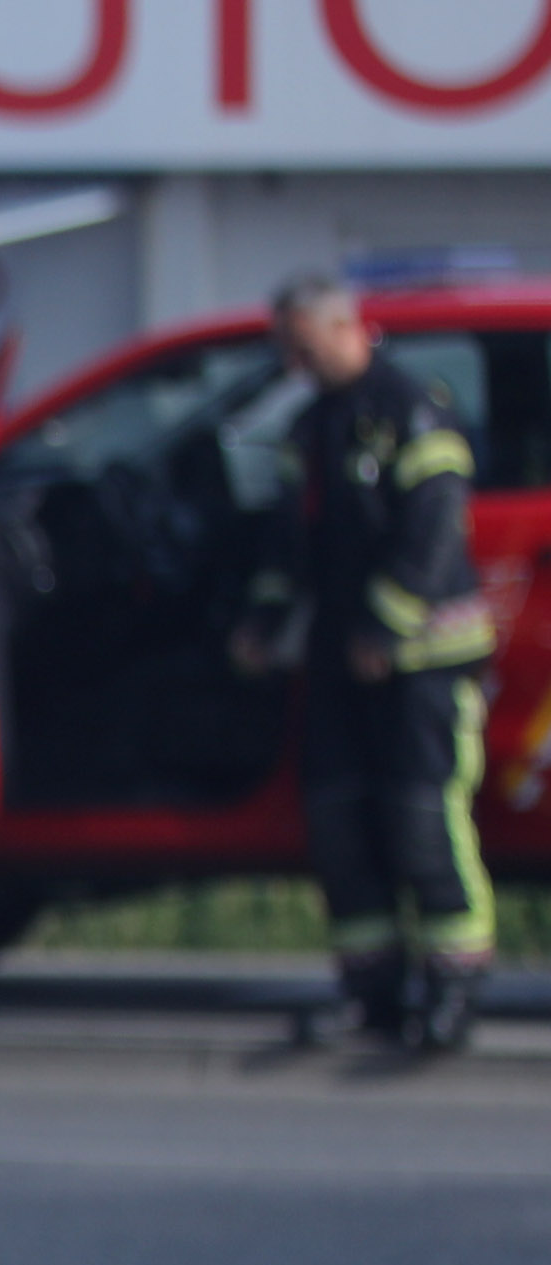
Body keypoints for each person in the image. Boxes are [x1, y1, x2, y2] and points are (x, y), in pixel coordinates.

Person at [230, 272, 499, 1052]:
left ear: (343, 330)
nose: (292, 361)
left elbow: (434, 530)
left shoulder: (413, 413)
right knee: (342, 825)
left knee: (423, 821)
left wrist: (385, 627)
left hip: (422, 661)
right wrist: (263, 619)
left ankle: (452, 988)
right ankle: (374, 990)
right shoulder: (310, 429)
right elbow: (288, 549)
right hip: (337, 662)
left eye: (300, 346)